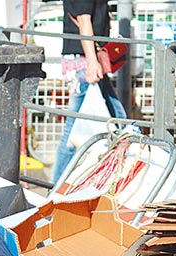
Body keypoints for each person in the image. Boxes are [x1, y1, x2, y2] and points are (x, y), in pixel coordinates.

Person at [51, 0, 127, 183]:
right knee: (73, 130)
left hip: (84, 60)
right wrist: (92, 62)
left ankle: (56, 186)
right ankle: (54, 187)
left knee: (118, 118)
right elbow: (84, 21)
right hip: (83, 62)